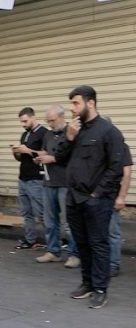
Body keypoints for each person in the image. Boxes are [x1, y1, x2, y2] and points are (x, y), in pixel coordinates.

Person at [43, 86, 128, 310]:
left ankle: (100, 289)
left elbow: (116, 168)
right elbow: (59, 158)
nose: (72, 108)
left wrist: (97, 194)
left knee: (98, 243)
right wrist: (69, 138)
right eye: (71, 104)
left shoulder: (109, 132)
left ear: (90, 103)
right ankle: (87, 283)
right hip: (74, 197)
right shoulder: (75, 130)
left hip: (96, 199)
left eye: (76, 103)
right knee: (81, 243)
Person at [33, 106, 81, 267]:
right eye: (48, 121)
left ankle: (75, 254)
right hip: (49, 182)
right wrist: (40, 157)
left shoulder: (71, 132)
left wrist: (51, 159)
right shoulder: (48, 134)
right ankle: (53, 251)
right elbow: (46, 151)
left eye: (52, 120)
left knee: (69, 222)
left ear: (62, 117)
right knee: (50, 221)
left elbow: (74, 156)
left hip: (66, 183)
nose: (50, 124)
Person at [12, 107, 48, 249]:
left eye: (25, 121)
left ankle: (53, 242)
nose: (23, 124)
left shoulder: (44, 133)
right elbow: (21, 159)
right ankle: (30, 239)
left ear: (33, 118)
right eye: (21, 122)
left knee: (41, 212)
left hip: (36, 178)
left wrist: (28, 150)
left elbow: (47, 153)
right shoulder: (25, 135)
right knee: (26, 212)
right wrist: (16, 152)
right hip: (23, 178)